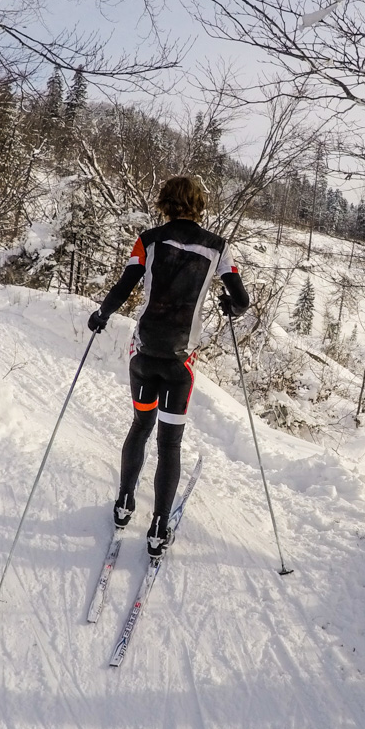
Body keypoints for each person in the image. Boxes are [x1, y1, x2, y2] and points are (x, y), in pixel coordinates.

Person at [87, 175, 249, 557]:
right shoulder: (218, 248)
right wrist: (230, 306)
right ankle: (159, 529)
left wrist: (102, 314)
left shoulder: (148, 240)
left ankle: (124, 505)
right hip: (180, 362)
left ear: (164, 203)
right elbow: (241, 300)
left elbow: (125, 285)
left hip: (144, 355)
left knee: (140, 426)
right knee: (169, 443)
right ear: (199, 205)